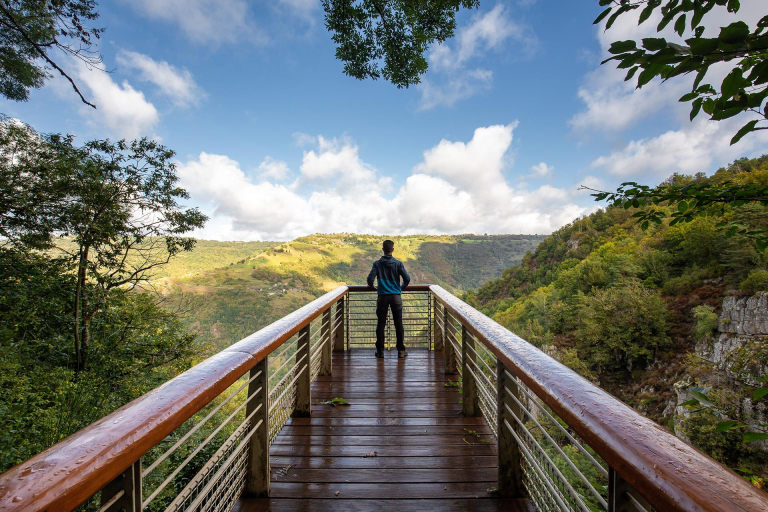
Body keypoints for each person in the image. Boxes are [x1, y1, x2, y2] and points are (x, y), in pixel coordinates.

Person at [367, 239, 411, 358]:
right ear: (392, 249)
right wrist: (400, 288)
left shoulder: (377, 264)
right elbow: (407, 279)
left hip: (382, 297)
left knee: (381, 323)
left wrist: (372, 286)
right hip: (396, 297)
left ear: (383, 249)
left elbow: (370, 280)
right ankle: (401, 351)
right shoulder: (398, 264)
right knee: (398, 324)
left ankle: (380, 351)